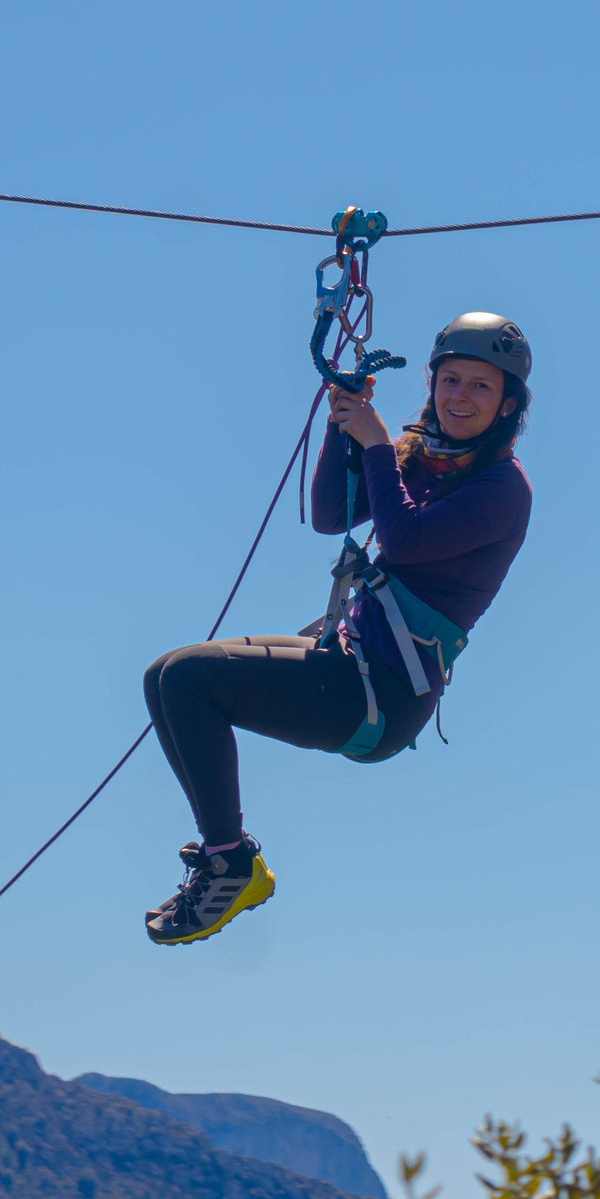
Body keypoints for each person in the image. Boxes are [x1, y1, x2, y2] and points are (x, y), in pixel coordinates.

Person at [138, 313, 535, 946]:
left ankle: (230, 866)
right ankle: (230, 860)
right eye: (450, 380)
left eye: (481, 387)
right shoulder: (420, 460)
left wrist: (376, 443)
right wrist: (342, 425)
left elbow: (404, 541)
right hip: (350, 658)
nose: (459, 396)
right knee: (163, 675)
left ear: (507, 404)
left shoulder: (503, 488)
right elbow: (329, 513)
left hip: (383, 696)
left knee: (188, 680)